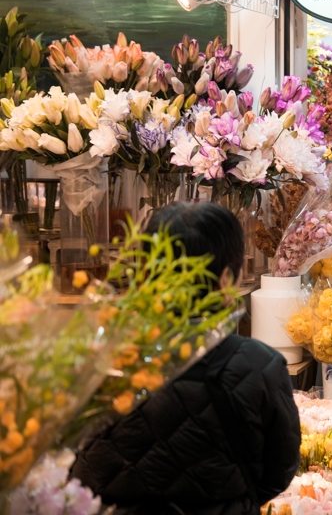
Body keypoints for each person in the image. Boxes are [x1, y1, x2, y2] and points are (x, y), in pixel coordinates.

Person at [73, 202, 301, 515]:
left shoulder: (101, 355)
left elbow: (79, 462)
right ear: (225, 279)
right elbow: (280, 471)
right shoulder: (258, 365)